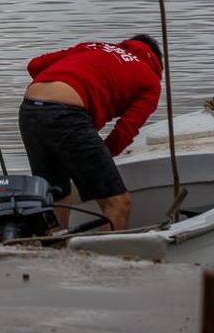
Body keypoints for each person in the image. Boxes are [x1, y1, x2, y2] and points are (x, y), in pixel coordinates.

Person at [18, 34, 163, 233]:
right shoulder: (150, 80)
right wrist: (100, 159)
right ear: (156, 62)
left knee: (57, 195)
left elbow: (35, 65)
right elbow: (124, 131)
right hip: (67, 115)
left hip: (30, 109)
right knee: (118, 203)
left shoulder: (93, 46)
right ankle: (107, 261)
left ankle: (53, 254)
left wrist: (70, 80)